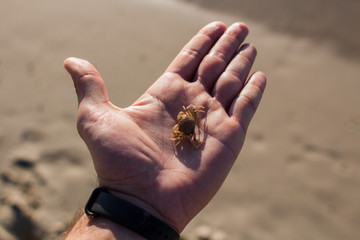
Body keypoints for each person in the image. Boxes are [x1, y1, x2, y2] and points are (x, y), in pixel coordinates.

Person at [62, 21, 266, 240]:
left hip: (188, 129)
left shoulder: (188, 117)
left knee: (188, 126)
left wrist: (129, 200)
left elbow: (189, 118)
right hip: (187, 132)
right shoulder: (185, 125)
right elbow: (184, 129)